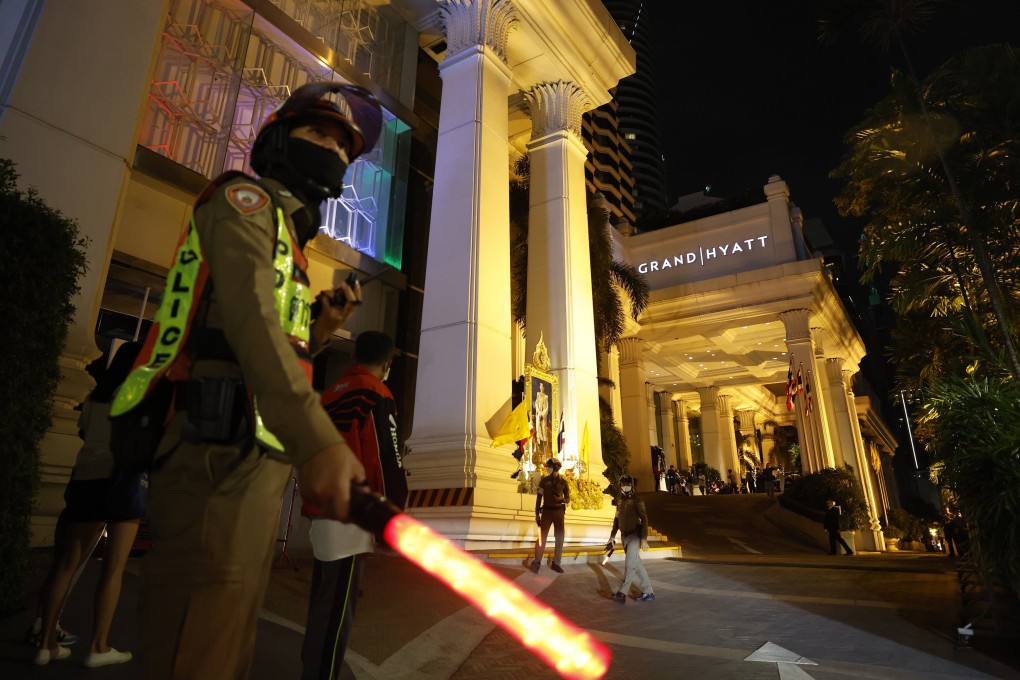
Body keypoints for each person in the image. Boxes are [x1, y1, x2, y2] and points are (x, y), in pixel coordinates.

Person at [111, 82, 380, 679]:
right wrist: (319, 441)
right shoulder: (242, 201)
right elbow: (250, 322)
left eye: (343, 148)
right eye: (318, 136)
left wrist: (320, 319)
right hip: (214, 451)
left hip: (256, 460)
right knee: (196, 645)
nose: (332, 154)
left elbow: (258, 329)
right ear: (279, 140)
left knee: (229, 637)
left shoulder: (288, 239)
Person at [300, 331, 407, 680]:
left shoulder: (328, 394)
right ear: (387, 362)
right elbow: (385, 456)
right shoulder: (377, 393)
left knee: (322, 604)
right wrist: (394, 510)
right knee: (336, 614)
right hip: (351, 513)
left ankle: (311, 670)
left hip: (321, 510)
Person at [33, 342, 145, 667]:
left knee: (67, 563)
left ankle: (45, 642)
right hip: (122, 479)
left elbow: (85, 433)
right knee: (113, 568)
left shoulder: (94, 397)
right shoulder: (138, 393)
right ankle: (98, 646)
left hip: (86, 478)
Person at [607, 475, 654, 603]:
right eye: (623, 484)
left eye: (628, 484)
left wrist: (644, 539)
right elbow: (616, 520)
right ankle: (648, 591)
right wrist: (612, 536)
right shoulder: (620, 501)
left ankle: (622, 593)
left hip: (634, 536)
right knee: (637, 564)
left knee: (629, 564)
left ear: (632, 486)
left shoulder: (637, 500)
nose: (625, 486)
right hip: (624, 537)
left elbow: (644, 520)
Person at [531, 458, 570, 573]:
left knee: (559, 538)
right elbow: (539, 499)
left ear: (555, 467)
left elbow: (568, 499)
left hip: (559, 512)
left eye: (549, 466)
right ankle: (537, 562)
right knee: (542, 537)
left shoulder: (563, 482)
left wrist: (561, 499)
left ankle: (556, 563)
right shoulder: (544, 481)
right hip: (546, 512)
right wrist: (537, 514)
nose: (547, 468)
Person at [533, 382, 549, 454]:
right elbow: (536, 403)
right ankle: (539, 448)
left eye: (542, 386)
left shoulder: (546, 397)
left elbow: (546, 407)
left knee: (543, 430)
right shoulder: (538, 395)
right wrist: (538, 412)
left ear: (544, 387)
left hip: (542, 416)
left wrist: (542, 414)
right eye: (540, 386)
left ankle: (543, 451)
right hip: (538, 414)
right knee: (538, 430)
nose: (541, 387)